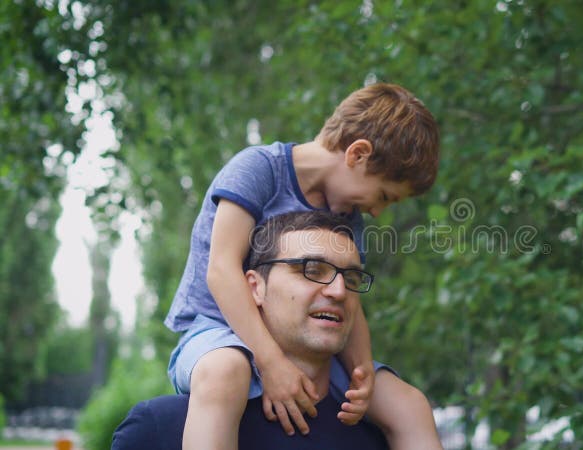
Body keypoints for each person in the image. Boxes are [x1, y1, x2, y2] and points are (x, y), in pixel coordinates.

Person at [164, 83, 443, 450]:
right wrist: (271, 364)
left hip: (307, 347)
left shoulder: (346, 214)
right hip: (218, 331)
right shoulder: (259, 170)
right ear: (357, 154)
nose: (377, 211)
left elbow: (349, 298)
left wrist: (362, 374)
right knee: (223, 374)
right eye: (384, 195)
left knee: (409, 406)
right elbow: (221, 269)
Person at [113, 212, 397, 449]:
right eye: (312, 269)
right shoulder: (159, 429)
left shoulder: (384, 437)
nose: (338, 290)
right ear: (255, 287)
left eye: (351, 277)